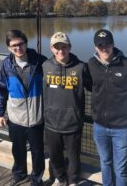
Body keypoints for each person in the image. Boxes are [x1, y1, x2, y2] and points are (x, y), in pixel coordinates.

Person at [87, 29, 127, 186]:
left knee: (120, 167)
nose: (104, 48)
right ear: (95, 47)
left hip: (122, 127)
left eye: (107, 44)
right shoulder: (91, 64)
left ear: (113, 44)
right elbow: (89, 86)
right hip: (99, 126)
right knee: (105, 162)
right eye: (100, 45)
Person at [0, 30, 46, 186]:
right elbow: (2, 89)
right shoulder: (6, 64)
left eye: (20, 44)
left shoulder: (41, 62)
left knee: (38, 152)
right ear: (9, 48)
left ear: (26, 43)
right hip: (15, 118)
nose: (18, 48)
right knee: (18, 149)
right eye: (14, 46)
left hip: (36, 117)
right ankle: (20, 175)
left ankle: (36, 179)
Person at [42, 32, 91, 186]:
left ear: (70, 47)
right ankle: (59, 178)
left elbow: (96, 87)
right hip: (51, 122)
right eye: (57, 47)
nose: (61, 51)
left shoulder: (81, 67)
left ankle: (73, 181)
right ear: (51, 48)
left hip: (73, 123)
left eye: (64, 47)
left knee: (74, 156)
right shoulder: (45, 66)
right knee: (54, 155)